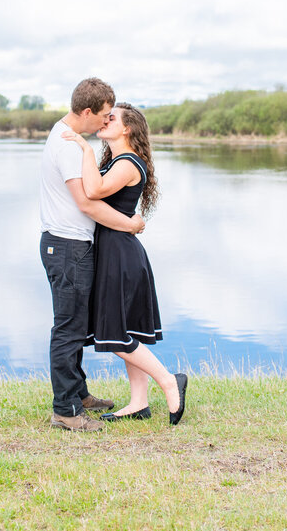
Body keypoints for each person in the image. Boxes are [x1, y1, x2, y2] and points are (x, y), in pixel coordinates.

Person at [63, 102, 188, 425]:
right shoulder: (117, 160)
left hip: (120, 253)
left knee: (116, 333)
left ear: (127, 129)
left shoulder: (129, 162)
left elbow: (94, 190)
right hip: (114, 250)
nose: (105, 121)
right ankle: (138, 403)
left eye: (112, 118)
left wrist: (83, 148)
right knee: (127, 328)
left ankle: (170, 381)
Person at [41, 77, 146, 432]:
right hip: (67, 246)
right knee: (68, 329)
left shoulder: (66, 136)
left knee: (75, 327)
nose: (105, 121)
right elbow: (88, 202)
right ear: (86, 111)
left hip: (71, 245)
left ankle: (78, 394)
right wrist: (129, 224)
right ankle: (66, 411)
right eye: (102, 115)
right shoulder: (70, 146)